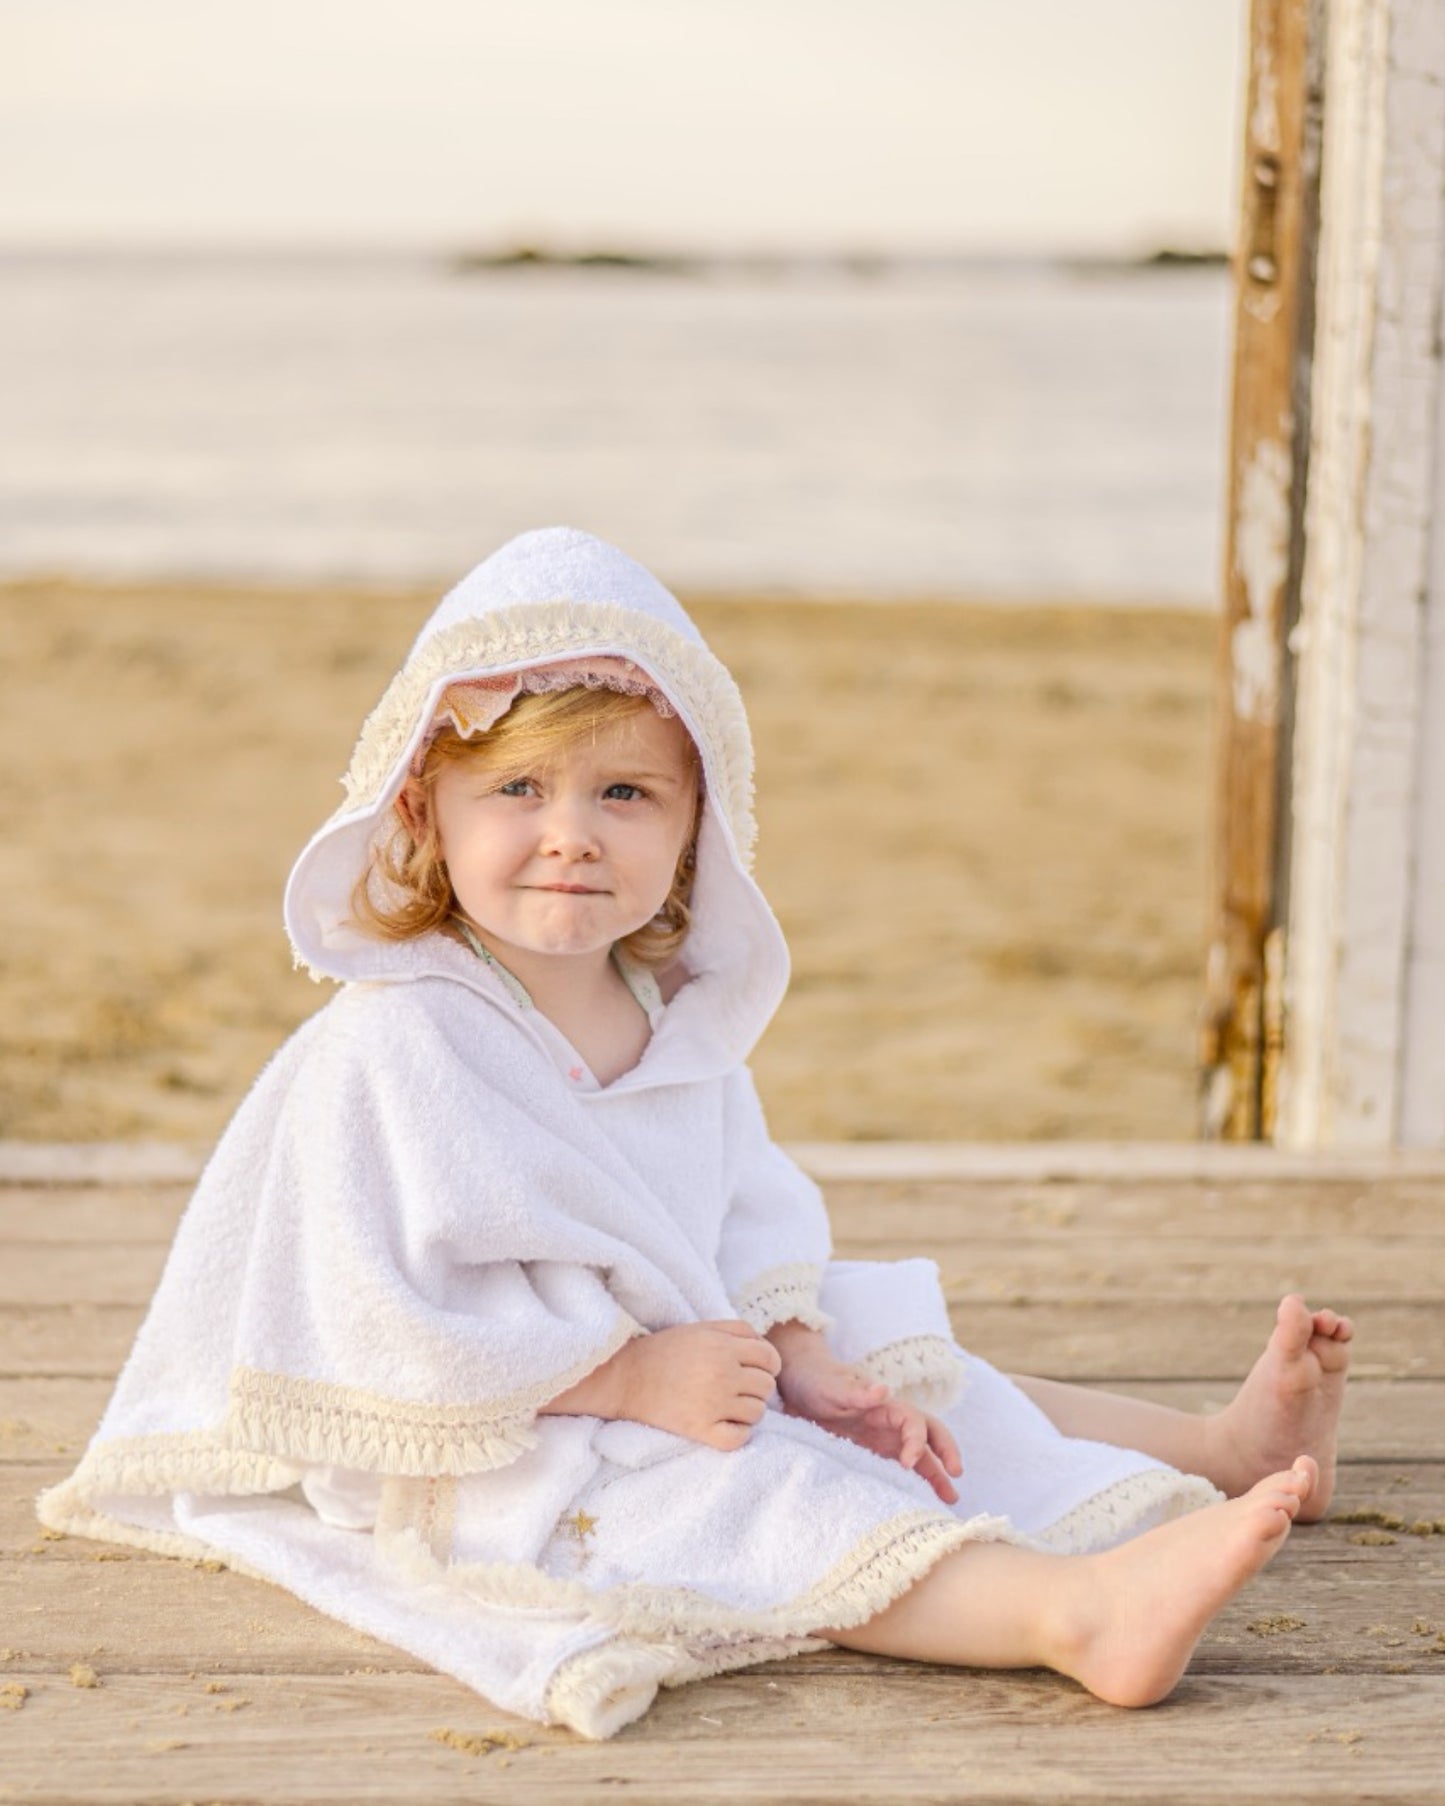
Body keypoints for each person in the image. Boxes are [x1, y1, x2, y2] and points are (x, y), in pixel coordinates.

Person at [38, 528, 1352, 1738]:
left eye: (624, 794)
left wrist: (800, 1349)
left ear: (692, 830)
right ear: (422, 811)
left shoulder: (668, 1019)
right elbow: (370, 1314)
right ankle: (1064, 1615)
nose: (569, 835)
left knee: (902, 1366)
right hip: (489, 1425)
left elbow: (740, 1210)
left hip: (673, 1344)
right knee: (746, 1495)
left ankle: (1215, 1449)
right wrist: (625, 1379)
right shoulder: (400, 1044)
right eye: (517, 789)